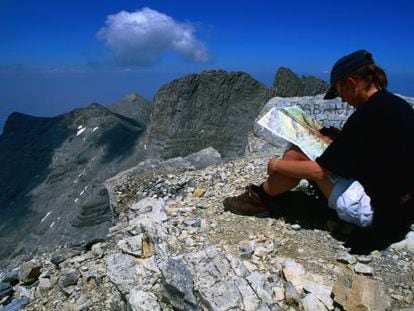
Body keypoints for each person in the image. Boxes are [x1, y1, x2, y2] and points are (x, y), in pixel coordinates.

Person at [223, 50, 414, 250]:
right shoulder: (394, 105)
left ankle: (261, 198)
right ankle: (272, 194)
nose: (343, 100)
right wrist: (340, 138)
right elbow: (379, 150)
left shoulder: (365, 115)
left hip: (374, 213)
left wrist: (276, 165)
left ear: (351, 83)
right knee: (310, 150)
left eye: (340, 92)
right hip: (402, 210)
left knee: (300, 152)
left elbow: (319, 171)